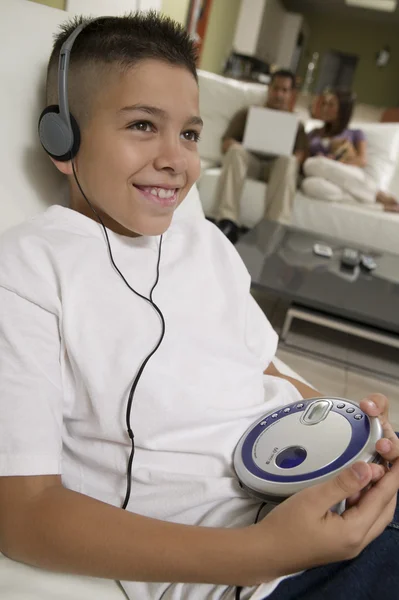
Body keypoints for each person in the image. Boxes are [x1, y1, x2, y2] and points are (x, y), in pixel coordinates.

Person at [0, 13, 398, 600]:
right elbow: (24, 514)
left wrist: (357, 432)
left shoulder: (204, 241)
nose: (177, 159)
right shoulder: (29, 267)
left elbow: (261, 369)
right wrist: (265, 553)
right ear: (64, 139)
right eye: (142, 125)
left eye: (189, 134)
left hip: (329, 497)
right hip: (267, 572)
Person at [209, 70, 308, 244]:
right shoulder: (247, 113)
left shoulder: (297, 124)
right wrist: (238, 145)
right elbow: (226, 143)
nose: (279, 94)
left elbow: (301, 155)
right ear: (269, 89)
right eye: (276, 89)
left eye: (284, 90)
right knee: (236, 151)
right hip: (251, 164)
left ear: (291, 94)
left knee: (290, 161)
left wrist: (290, 154)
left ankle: (273, 228)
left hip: (277, 170)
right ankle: (228, 220)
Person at [303, 90, 399, 212]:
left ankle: (377, 195)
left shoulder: (355, 134)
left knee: (315, 163)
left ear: (342, 110)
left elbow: (361, 160)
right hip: (322, 177)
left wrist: (335, 162)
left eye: (331, 104)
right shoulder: (313, 133)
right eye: (324, 104)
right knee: (309, 184)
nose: (325, 108)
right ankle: (378, 206)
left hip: (349, 174)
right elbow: (304, 156)